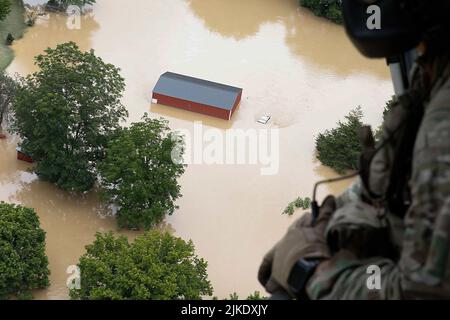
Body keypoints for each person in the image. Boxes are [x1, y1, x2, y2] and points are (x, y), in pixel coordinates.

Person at [258, 0, 450, 299]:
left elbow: (421, 291)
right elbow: (391, 177)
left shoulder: (442, 127)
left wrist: (309, 272)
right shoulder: (433, 69)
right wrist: (327, 221)